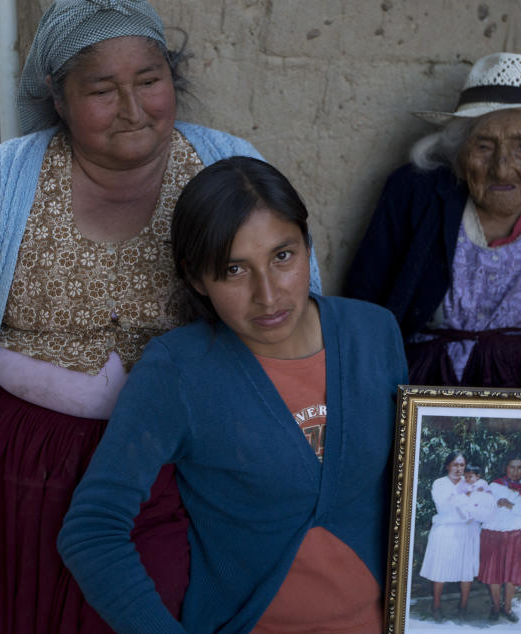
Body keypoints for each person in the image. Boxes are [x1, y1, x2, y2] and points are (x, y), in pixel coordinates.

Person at [0, 1, 318, 631]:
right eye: (102, 90)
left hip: (175, 467)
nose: (134, 109)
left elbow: (298, 307)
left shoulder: (226, 169)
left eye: (149, 81)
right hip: (14, 460)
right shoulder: (5, 181)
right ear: (58, 98)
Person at [57, 156, 408, 633]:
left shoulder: (374, 331)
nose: (268, 295)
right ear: (197, 278)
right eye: (234, 270)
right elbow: (91, 531)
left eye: (282, 256)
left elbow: (407, 490)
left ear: (307, 246)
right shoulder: (178, 371)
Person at [344, 51, 521, 630]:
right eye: (484, 145)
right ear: (458, 150)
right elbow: (366, 301)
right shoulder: (415, 192)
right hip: (431, 377)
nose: (503, 165)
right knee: (393, 502)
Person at [479, 456, 521, 621]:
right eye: (512, 467)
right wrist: (504, 505)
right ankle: (496, 607)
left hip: (519, 535)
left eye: (519, 468)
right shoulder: (494, 485)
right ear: (506, 467)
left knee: (513, 574)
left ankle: (508, 608)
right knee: (494, 573)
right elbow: (487, 506)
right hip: (494, 534)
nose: (515, 471)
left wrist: (509, 505)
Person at [418, 453, 480, 623]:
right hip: (445, 531)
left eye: (462, 465)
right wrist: (464, 499)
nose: (459, 469)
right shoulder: (439, 484)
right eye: (455, 464)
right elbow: (444, 505)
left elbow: (478, 505)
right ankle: (436, 607)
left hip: (466, 532)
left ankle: (463, 607)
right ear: (447, 466)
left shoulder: (470, 482)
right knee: (440, 571)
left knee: (466, 572)